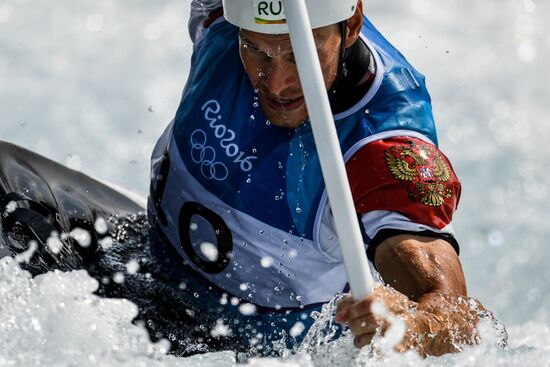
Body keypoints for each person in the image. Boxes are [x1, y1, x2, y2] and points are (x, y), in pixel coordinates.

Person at [147, 0, 503, 357]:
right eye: (257, 50)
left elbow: (462, 318)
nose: (277, 83)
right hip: (146, 267)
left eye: (299, 54)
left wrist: (411, 326)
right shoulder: (219, 15)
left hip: (247, 353)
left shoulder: (381, 150)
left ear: (352, 25)